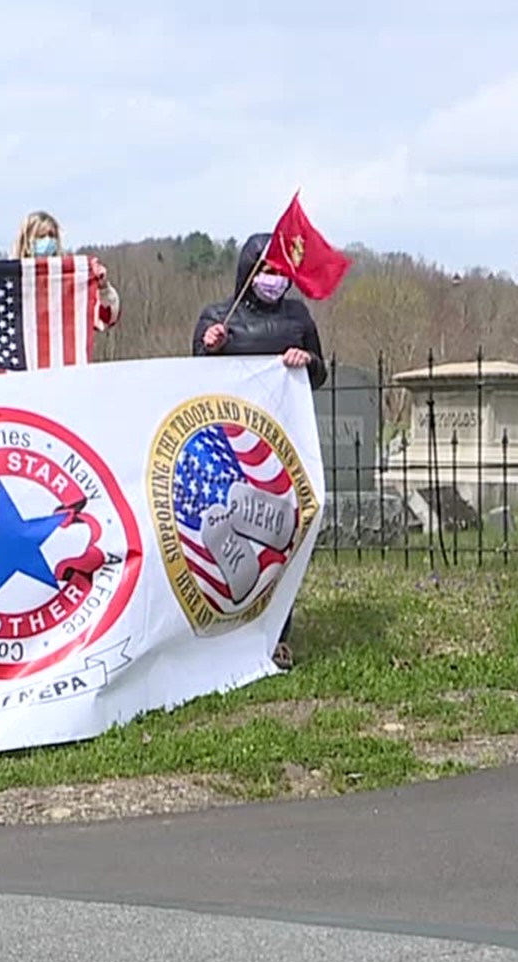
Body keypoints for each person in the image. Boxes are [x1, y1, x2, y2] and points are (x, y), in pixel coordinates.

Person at [191, 232, 329, 671]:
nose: (274, 280)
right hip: (228, 450)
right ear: (248, 271)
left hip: (281, 448)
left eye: (280, 273)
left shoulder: (298, 317)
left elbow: (321, 370)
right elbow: (191, 373)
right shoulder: (216, 316)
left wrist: (305, 361)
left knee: (282, 536)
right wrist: (207, 345)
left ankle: (277, 634)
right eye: (266, 271)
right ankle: (225, 628)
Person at [0, 210, 121, 332]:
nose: (48, 242)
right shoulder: (8, 282)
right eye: (41, 236)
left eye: (51, 236)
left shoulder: (70, 281)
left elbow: (106, 318)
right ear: (28, 240)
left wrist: (102, 287)